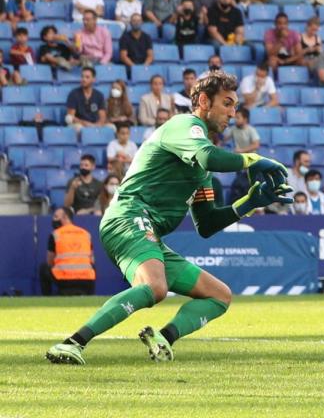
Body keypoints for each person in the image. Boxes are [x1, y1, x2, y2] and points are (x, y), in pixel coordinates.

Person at [46, 71, 293, 365]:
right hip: (128, 217)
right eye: (227, 103)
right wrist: (252, 159)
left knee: (219, 295)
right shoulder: (184, 125)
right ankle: (72, 343)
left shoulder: (201, 169)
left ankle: (163, 337)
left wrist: (249, 202)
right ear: (203, 100)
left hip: (147, 231)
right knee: (156, 287)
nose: (232, 112)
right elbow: (210, 156)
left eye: (235, 106)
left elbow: (207, 224)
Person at [39, 207, 95, 297]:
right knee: (92, 267)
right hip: (86, 280)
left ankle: (47, 298)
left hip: (64, 280)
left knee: (43, 268)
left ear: (65, 217)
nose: (53, 219)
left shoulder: (55, 234)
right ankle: (90, 296)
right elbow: (92, 260)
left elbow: (50, 262)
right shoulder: (85, 234)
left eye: (56, 216)